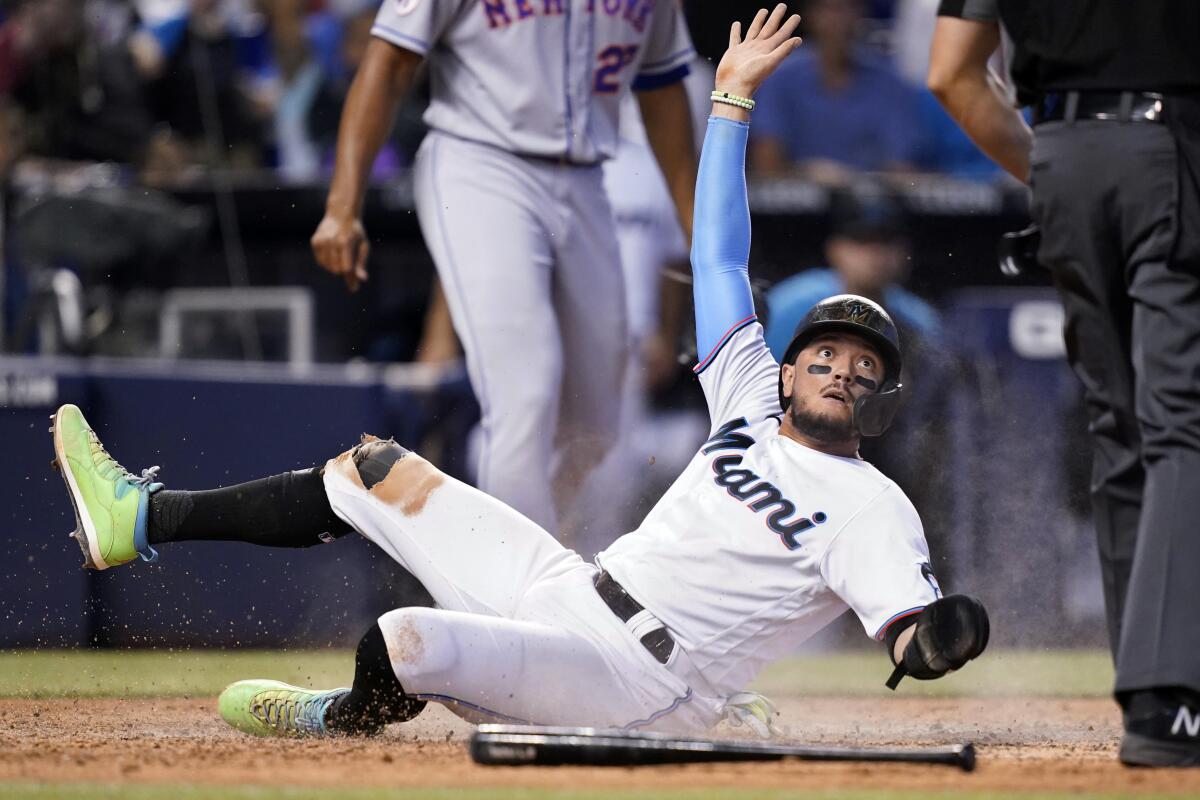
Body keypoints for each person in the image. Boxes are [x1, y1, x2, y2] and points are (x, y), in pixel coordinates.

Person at [50, 6, 988, 738]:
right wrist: (733, 104)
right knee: (369, 469)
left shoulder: (873, 507)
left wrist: (934, 637)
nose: (838, 369)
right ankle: (138, 518)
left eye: (863, 366)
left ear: (883, 400)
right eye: (822, 352)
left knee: (401, 640)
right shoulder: (747, 396)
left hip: (636, 679)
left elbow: (908, 628)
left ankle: (344, 717)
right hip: (572, 587)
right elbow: (717, 260)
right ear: (786, 372)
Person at [308, 0, 698, 538]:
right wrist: (342, 204)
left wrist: (700, 230)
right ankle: (510, 591)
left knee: (599, 425)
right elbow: (390, 61)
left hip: (587, 180)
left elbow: (661, 90)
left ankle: (541, 553)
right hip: (481, 162)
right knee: (526, 392)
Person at [929, 0, 1200, 768]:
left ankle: (1145, 677)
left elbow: (950, 72)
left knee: (1122, 431)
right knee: (1182, 423)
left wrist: (1051, 173)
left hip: (1064, 156)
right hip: (1170, 144)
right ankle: (1170, 698)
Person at [749, 0, 921, 182]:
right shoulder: (779, 76)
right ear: (811, 15)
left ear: (860, 14)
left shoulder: (890, 82)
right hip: (793, 203)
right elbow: (766, 163)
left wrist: (850, 183)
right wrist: (809, 174)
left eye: (849, 8)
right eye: (830, 9)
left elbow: (903, 167)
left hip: (872, 204)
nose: (840, 19)